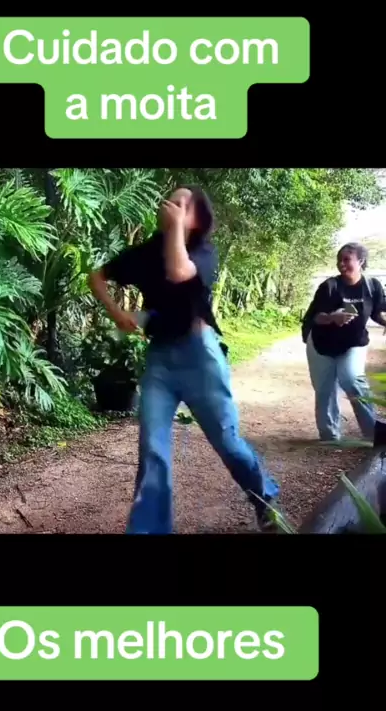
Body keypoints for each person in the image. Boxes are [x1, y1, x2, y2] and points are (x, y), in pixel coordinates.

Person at [89, 186, 280, 534]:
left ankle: (264, 499)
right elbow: (96, 277)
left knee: (228, 443)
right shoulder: (145, 253)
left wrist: (175, 228)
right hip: (160, 360)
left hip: (200, 357)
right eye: (169, 200)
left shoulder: (204, 252)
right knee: (152, 448)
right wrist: (117, 313)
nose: (170, 206)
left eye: (182, 205)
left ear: (197, 220)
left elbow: (179, 271)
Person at [302, 242, 386, 442]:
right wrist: (333, 317)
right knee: (325, 390)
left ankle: (374, 434)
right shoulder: (330, 286)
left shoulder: (372, 286)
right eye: (339, 260)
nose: (341, 264)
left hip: (353, 343)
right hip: (321, 344)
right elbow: (316, 317)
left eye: (346, 259)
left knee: (352, 379)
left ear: (361, 261)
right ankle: (330, 436)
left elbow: (377, 312)